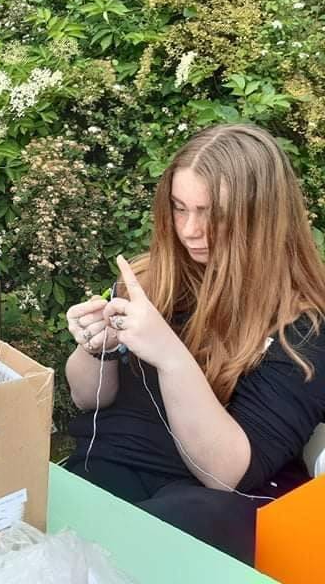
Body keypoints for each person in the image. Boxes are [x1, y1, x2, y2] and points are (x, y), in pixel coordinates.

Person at [63, 124, 325, 564]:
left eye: (211, 214)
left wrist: (170, 355)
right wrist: (97, 347)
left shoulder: (303, 329)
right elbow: (87, 398)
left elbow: (225, 474)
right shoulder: (150, 278)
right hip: (106, 471)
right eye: (179, 208)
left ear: (262, 217)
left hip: (204, 508)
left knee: (180, 521)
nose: (189, 230)